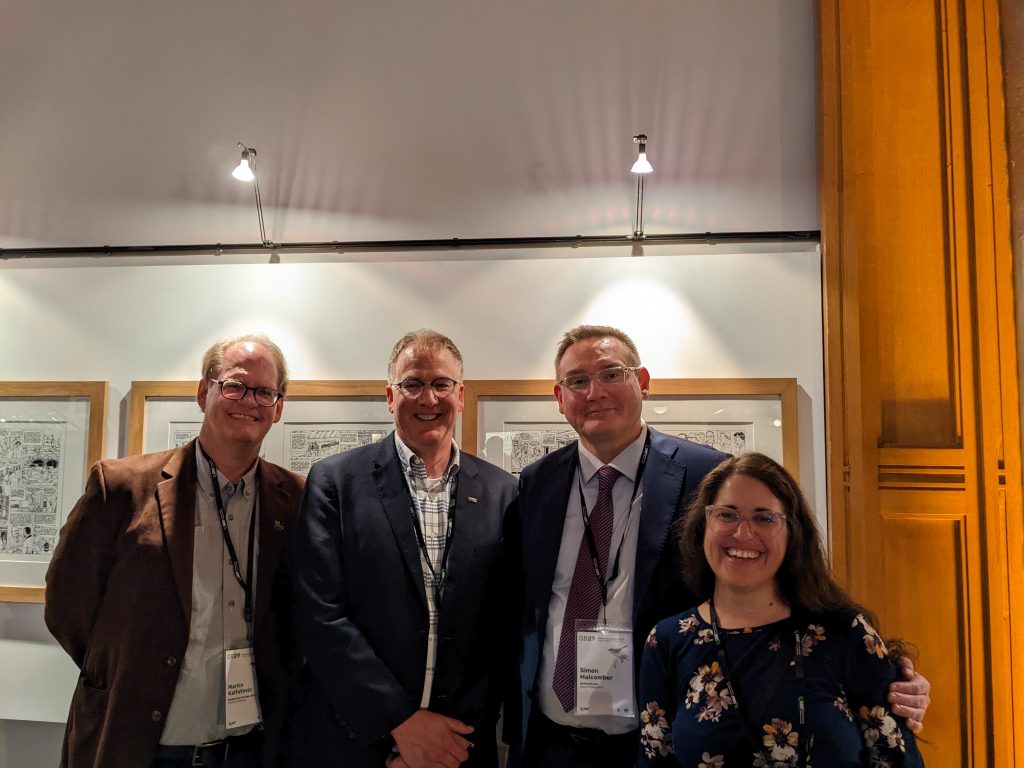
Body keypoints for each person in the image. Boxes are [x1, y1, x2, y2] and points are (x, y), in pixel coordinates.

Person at [507, 324, 931, 767]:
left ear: (644, 383)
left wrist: (882, 672)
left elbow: (771, 581)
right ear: (560, 398)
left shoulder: (708, 475)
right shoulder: (537, 483)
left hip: (666, 731)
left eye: (613, 374)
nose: (595, 391)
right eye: (577, 380)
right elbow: (520, 605)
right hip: (548, 737)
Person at [45, 333, 303, 768]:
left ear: (278, 408)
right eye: (235, 385)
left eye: (265, 392)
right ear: (205, 392)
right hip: (137, 743)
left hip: (250, 750)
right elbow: (68, 605)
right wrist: (126, 669)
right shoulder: (122, 486)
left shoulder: (296, 498)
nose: (250, 401)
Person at [287, 329, 517, 768]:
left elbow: (504, 622)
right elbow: (319, 614)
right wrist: (401, 723)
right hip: (358, 741)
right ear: (391, 397)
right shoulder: (336, 482)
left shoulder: (503, 492)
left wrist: (447, 735)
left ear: (461, 394)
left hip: (459, 745)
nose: (427, 398)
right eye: (412, 383)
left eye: (440, 384)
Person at [638, 452, 924, 766]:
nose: (743, 533)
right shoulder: (667, 642)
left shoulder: (846, 634)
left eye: (764, 517)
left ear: (793, 534)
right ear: (703, 525)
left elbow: (896, 759)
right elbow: (655, 759)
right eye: (727, 514)